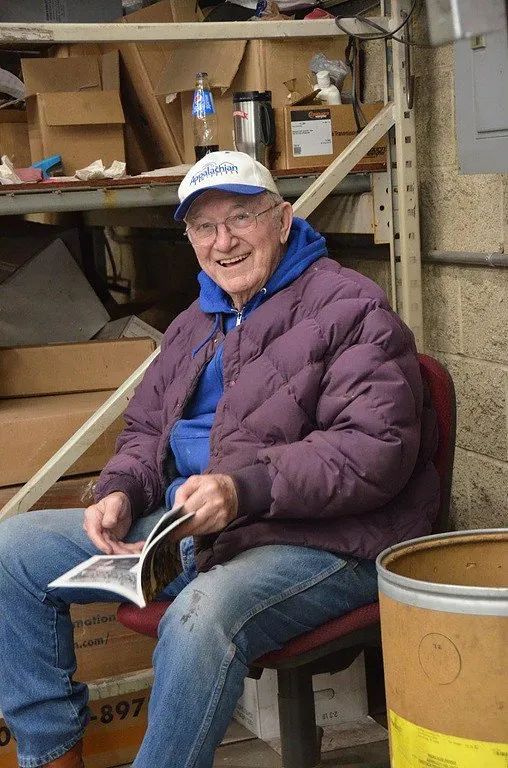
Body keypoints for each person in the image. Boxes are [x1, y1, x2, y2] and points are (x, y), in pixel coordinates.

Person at [0, 151, 439, 768]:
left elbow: (373, 450)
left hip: (325, 541)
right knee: (11, 552)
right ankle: (51, 758)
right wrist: (122, 489)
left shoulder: (351, 308)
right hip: (193, 531)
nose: (223, 241)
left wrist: (241, 489)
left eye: (241, 218)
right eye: (204, 226)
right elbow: (145, 428)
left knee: (199, 617)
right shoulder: (194, 320)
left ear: (282, 220)